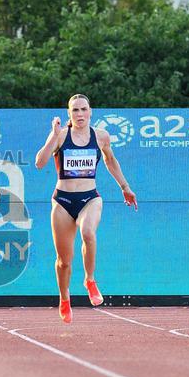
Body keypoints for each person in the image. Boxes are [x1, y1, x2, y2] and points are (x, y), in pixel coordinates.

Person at [35, 94, 137, 324]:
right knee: (64, 261)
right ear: (69, 114)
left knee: (88, 233)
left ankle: (90, 280)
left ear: (91, 111)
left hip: (90, 197)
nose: (80, 114)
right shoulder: (61, 136)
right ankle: (64, 298)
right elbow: (39, 163)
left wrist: (125, 187)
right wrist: (52, 135)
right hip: (62, 201)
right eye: (75, 111)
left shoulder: (101, 136)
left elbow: (111, 161)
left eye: (83, 109)